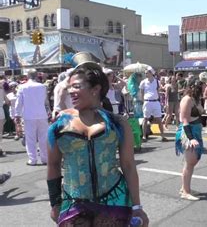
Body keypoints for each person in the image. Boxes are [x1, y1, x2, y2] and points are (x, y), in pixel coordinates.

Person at [46, 61, 149, 226]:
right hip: (73, 203)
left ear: (95, 89)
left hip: (114, 199)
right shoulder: (59, 126)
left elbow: (128, 165)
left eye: (76, 86)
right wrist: (55, 203)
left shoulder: (118, 124)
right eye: (69, 87)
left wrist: (137, 206)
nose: (71, 91)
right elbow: (53, 165)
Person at [175, 79, 205, 201]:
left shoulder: (196, 99)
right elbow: (184, 120)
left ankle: (184, 188)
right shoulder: (187, 99)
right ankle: (185, 192)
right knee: (190, 162)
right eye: (202, 86)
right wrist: (191, 138)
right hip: (188, 132)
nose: (204, 89)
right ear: (194, 87)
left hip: (196, 131)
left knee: (192, 161)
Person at [14, 69, 50, 165]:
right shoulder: (42, 86)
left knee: (30, 139)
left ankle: (32, 159)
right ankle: (45, 158)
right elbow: (45, 101)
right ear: (37, 76)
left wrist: (17, 114)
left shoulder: (23, 87)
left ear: (28, 76)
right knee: (43, 137)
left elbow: (19, 102)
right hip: (42, 114)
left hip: (29, 115)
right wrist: (49, 112)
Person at [140, 66, 167, 142]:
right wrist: (143, 102)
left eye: (147, 73)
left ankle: (162, 135)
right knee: (145, 119)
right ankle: (144, 136)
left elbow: (159, 91)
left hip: (155, 102)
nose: (146, 74)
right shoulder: (143, 82)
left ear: (151, 73)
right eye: (145, 73)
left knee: (159, 119)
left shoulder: (157, 82)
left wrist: (160, 102)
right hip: (147, 101)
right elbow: (141, 93)